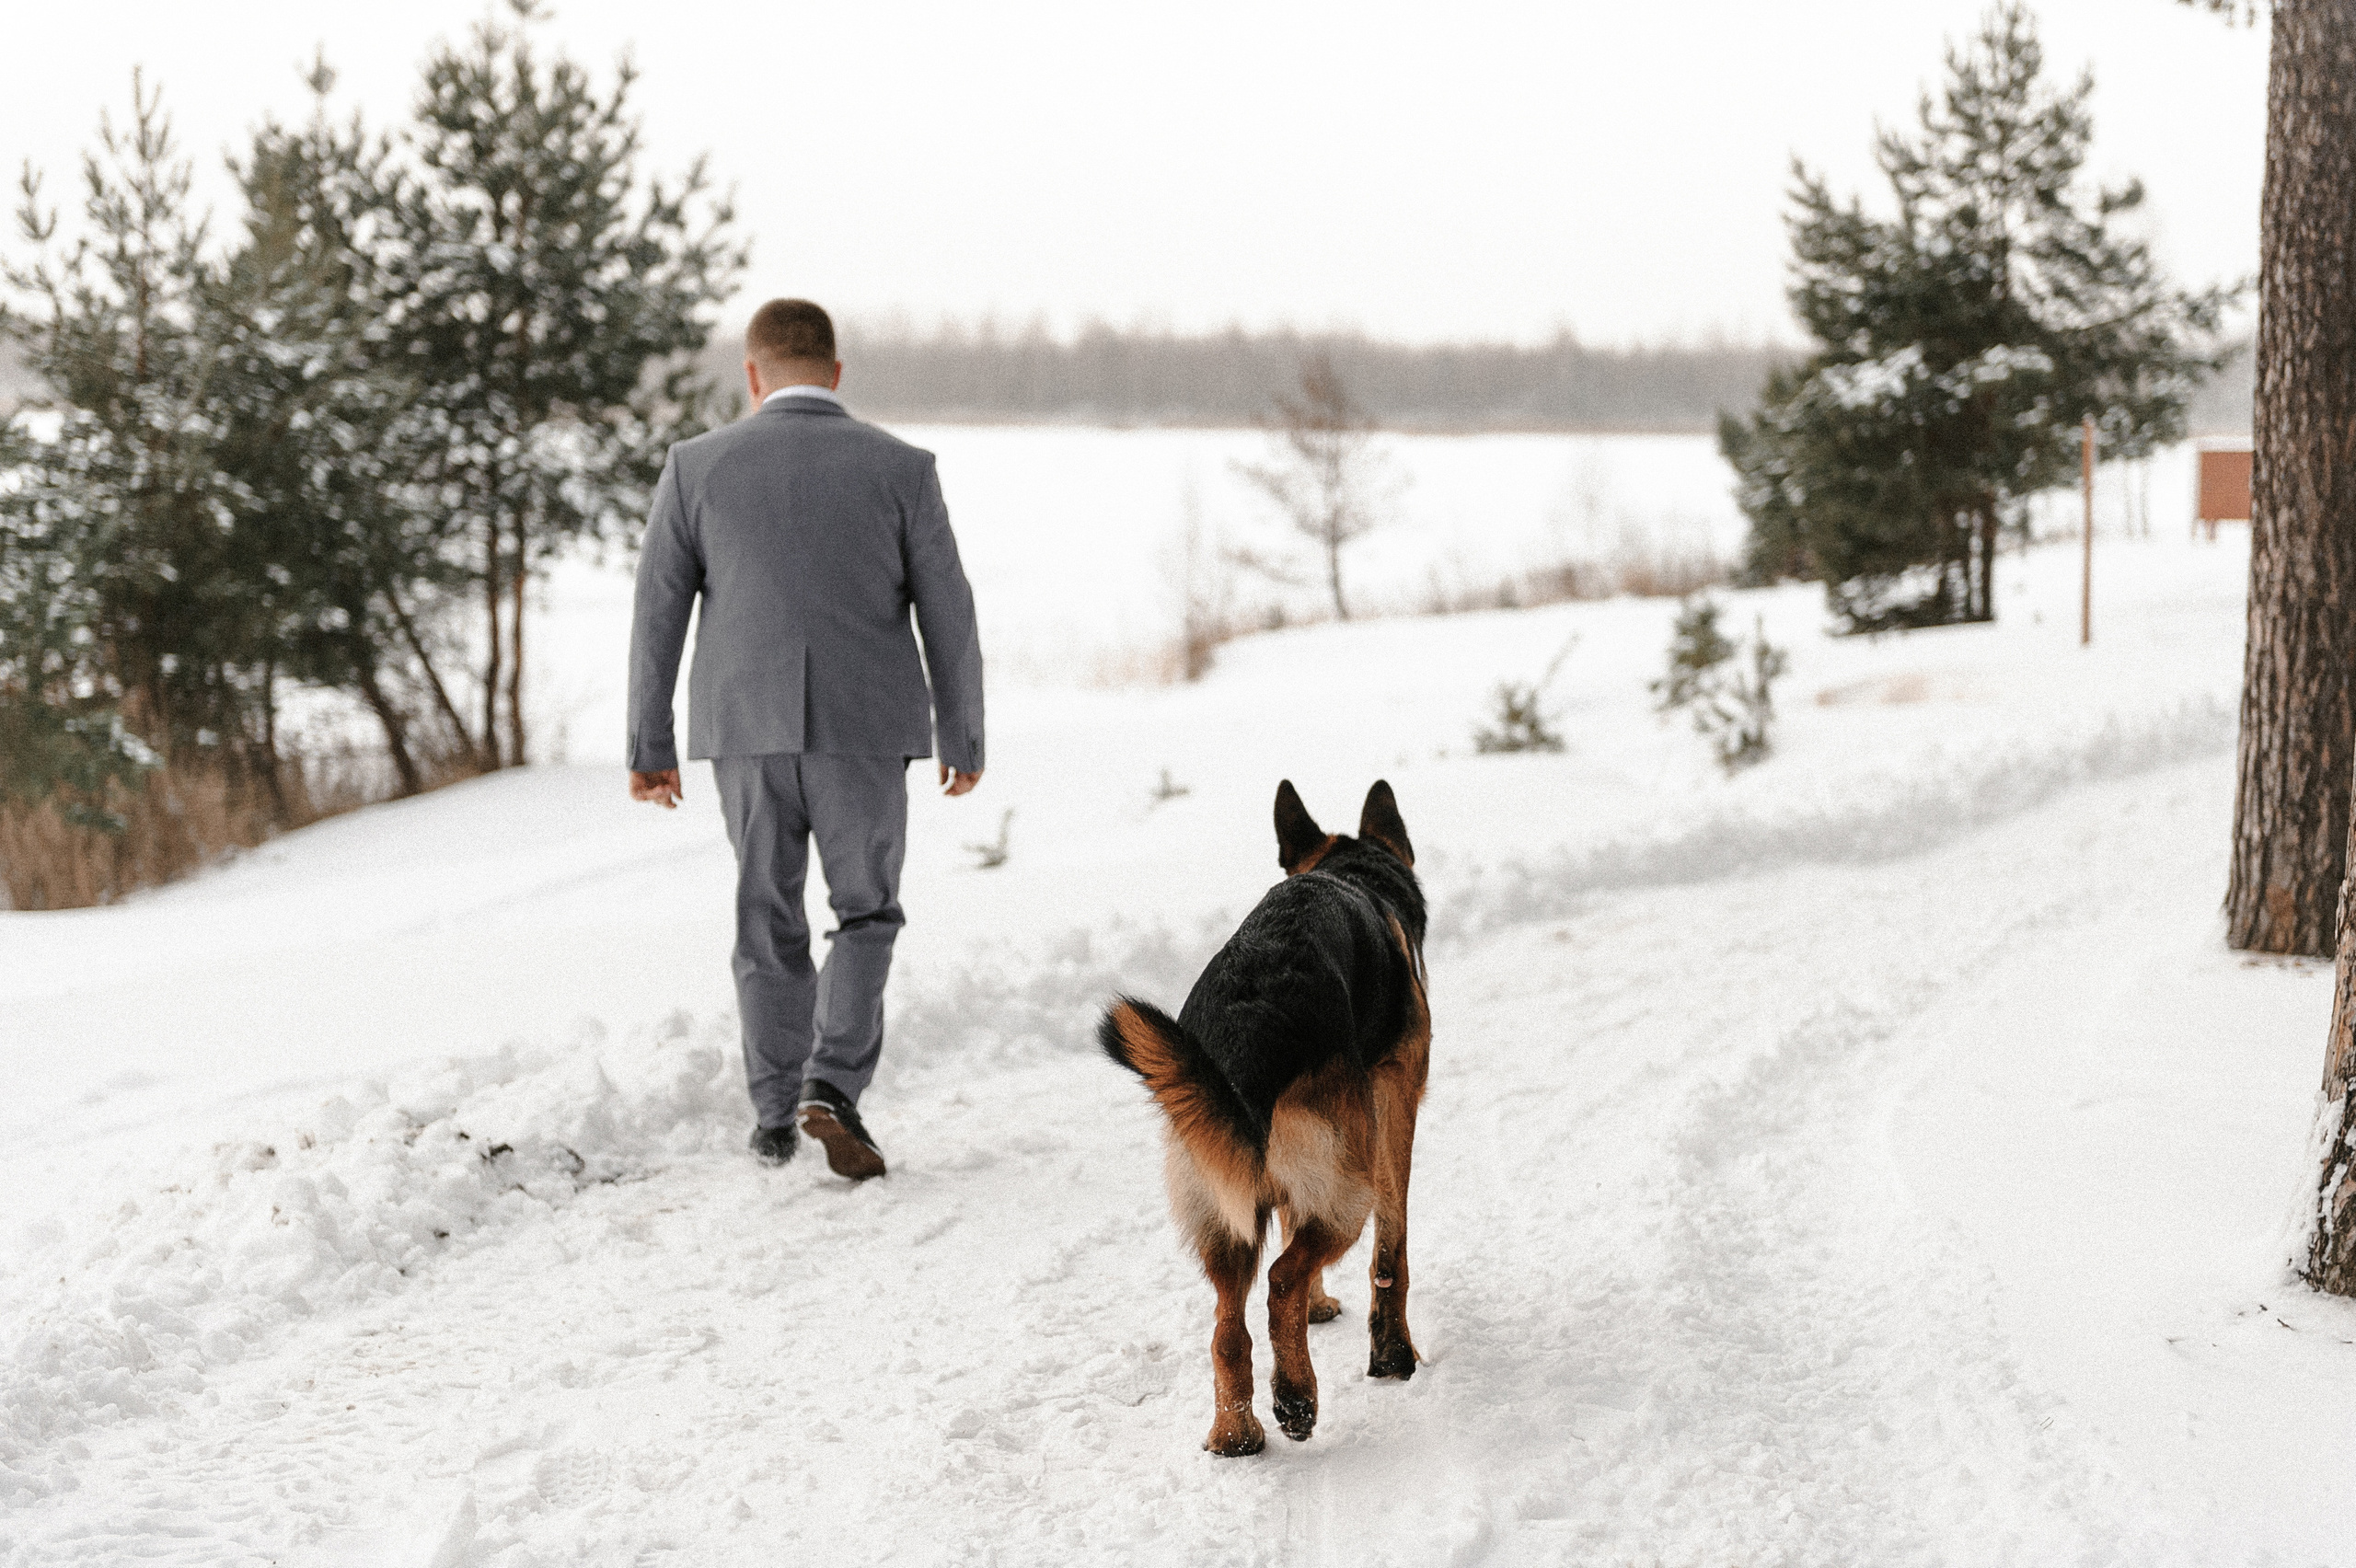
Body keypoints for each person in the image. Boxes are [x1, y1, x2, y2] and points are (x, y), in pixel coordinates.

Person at [626, 298, 984, 1180]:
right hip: (864, 730)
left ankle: (774, 1113)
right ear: (835, 370)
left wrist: (649, 744)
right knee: (865, 911)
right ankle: (832, 1084)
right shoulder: (903, 468)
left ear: (752, 375)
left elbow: (657, 611)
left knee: (765, 912)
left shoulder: (693, 466)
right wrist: (962, 732)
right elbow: (948, 608)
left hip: (742, 730)